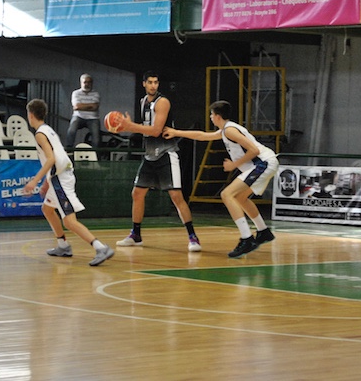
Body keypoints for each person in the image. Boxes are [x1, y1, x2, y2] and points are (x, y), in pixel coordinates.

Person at [163, 100, 278, 258]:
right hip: (264, 164)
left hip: (264, 163)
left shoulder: (230, 130)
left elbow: (254, 150)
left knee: (227, 194)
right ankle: (263, 231)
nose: (210, 117)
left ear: (217, 116)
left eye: (211, 114)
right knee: (240, 197)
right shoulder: (226, 130)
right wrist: (176, 132)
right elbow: (202, 136)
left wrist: (233, 165)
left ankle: (247, 239)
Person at [114, 71, 201, 252]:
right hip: (150, 155)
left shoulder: (163, 102)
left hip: (166, 154)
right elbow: (145, 130)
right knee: (137, 193)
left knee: (176, 196)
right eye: (150, 82)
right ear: (144, 84)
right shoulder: (143, 102)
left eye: (156, 82)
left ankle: (193, 237)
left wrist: (130, 126)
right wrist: (127, 127)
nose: (153, 85)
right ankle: (136, 234)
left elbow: (155, 130)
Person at [23, 98, 114, 266]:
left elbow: (51, 159)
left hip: (61, 179)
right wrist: (46, 183)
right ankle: (63, 245)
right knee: (47, 209)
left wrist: (35, 181)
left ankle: (101, 248)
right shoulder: (48, 130)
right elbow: (58, 157)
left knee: (69, 221)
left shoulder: (40, 134)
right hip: (59, 175)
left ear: (30, 115)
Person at [65, 73, 101, 150]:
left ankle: (96, 154)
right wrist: (90, 106)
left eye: (89, 82)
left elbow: (95, 107)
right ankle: (69, 150)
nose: (87, 84)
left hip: (93, 118)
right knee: (71, 131)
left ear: (92, 83)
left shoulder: (96, 94)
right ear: (81, 83)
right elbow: (76, 107)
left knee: (96, 136)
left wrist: (82, 106)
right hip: (78, 116)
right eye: (85, 82)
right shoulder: (76, 93)